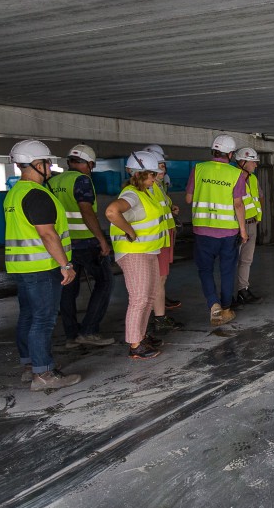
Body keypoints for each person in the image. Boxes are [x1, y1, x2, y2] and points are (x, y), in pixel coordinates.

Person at [3, 139, 81, 391]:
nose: (50, 167)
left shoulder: (15, 193)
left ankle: (29, 366)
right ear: (37, 164)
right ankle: (44, 373)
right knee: (43, 320)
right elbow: (48, 234)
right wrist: (65, 264)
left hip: (21, 267)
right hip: (42, 267)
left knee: (28, 316)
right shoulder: (36, 194)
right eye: (48, 162)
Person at [48, 144, 115, 348]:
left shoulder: (52, 181)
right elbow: (86, 211)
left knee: (68, 289)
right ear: (90, 164)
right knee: (105, 282)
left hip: (64, 245)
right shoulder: (82, 180)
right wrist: (102, 240)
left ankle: (71, 335)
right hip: (86, 242)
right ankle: (88, 330)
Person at [105, 151, 168, 359]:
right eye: (151, 174)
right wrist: (129, 231)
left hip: (148, 251)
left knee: (148, 296)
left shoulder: (146, 192)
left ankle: (141, 335)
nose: (155, 177)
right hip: (134, 253)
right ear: (140, 174)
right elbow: (112, 212)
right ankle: (135, 344)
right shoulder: (131, 194)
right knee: (139, 298)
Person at [185, 134, 248, 326]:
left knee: (205, 269)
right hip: (228, 233)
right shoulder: (235, 173)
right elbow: (238, 205)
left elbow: (188, 199)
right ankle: (227, 308)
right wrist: (243, 231)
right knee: (227, 270)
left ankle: (214, 305)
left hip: (203, 232)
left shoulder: (199, 169)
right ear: (230, 154)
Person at [142, 144, 184, 335]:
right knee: (158, 279)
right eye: (158, 167)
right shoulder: (148, 189)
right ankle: (159, 318)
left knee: (161, 278)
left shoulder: (157, 188)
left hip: (164, 238)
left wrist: (170, 209)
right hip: (156, 240)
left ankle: (159, 315)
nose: (161, 170)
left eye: (162, 166)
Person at [234, 146, 264, 305]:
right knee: (231, 260)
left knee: (246, 260)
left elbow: (259, 197)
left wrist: (258, 217)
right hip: (237, 226)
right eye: (253, 162)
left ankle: (242, 290)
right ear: (243, 161)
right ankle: (228, 294)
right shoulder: (232, 177)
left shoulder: (253, 179)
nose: (256, 165)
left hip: (252, 224)